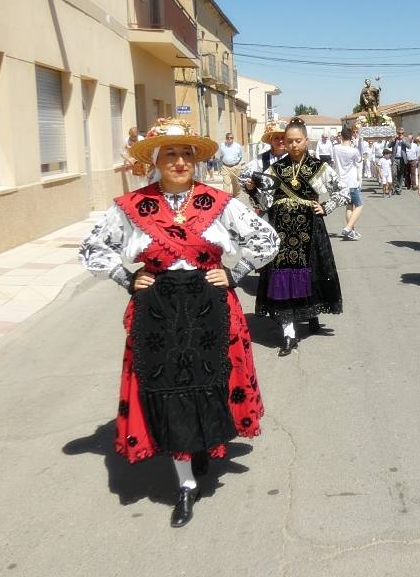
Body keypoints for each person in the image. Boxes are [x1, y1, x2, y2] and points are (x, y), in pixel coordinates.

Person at [77, 117, 278, 528]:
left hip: (211, 306)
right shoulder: (132, 207)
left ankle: (204, 442)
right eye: (171, 153)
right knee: (169, 390)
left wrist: (235, 274)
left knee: (213, 383)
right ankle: (184, 483)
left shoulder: (217, 201)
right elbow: (92, 248)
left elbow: (266, 240)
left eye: (187, 153)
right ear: (154, 160)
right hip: (159, 312)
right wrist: (128, 277)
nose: (181, 161)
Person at [253, 117, 349, 356]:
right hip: (281, 230)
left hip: (310, 228)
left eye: (298, 140)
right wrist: (253, 190)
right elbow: (264, 202)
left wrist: (326, 207)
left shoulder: (318, 167)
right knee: (282, 278)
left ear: (307, 141)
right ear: (283, 143)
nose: (293, 145)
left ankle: (311, 314)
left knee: (312, 272)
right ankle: (289, 333)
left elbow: (343, 191)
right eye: (289, 141)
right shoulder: (275, 169)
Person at [241, 120, 288, 216]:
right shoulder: (261, 159)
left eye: (283, 137)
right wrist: (249, 186)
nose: (280, 141)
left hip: (289, 208)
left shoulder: (293, 157)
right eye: (276, 138)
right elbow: (243, 177)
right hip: (266, 208)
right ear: (271, 140)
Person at [332, 126, 364, 241]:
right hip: (351, 182)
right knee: (359, 205)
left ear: (342, 136)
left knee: (349, 206)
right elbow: (359, 160)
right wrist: (359, 142)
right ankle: (348, 227)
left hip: (341, 182)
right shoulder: (353, 150)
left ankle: (351, 231)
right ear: (351, 137)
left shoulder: (336, 148)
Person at [120, 127, 148, 193]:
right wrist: (129, 159)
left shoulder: (141, 139)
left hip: (140, 162)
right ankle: (134, 195)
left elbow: (144, 150)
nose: (133, 138)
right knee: (132, 182)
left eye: (135, 136)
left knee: (142, 181)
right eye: (132, 137)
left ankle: (143, 194)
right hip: (130, 164)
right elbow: (121, 152)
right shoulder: (126, 140)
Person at [217, 132, 244, 197]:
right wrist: (220, 166)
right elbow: (220, 156)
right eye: (228, 137)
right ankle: (226, 197)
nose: (229, 139)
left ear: (233, 138)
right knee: (226, 183)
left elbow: (240, 156)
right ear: (226, 138)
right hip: (225, 167)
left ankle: (236, 195)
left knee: (236, 183)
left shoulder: (237, 146)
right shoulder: (222, 145)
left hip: (235, 167)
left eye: (231, 138)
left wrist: (236, 163)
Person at [387, 128, 409, 195]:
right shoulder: (394, 139)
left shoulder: (405, 139)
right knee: (394, 174)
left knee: (400, 174)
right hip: (394, 159)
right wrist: (393, 141)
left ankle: (399, 188)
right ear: (397, 133)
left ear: (403, 134)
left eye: (402, 133)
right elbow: (389, 146)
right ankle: (393, 188)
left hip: (402, 159)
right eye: (399, 133)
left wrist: (403, 141)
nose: (400, 135)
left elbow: (409, 146)